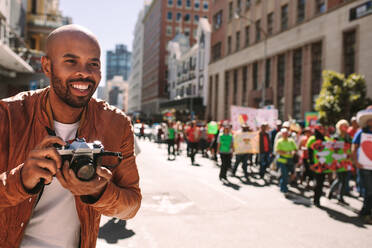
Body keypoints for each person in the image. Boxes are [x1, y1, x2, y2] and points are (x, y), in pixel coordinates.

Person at [0, 25, 141, 247]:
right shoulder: (7, 116)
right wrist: (21, 179)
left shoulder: (116, 123)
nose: (84, 73)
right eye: (71, 61)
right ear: (47, 66)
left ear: (100, 71)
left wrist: (99, 191)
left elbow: (131, 206)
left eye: (92, 64)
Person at [352, 106, 372, 223]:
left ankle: (364, 211)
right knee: (369, 191)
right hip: (364, 166)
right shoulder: (361, 133)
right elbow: (354, 148)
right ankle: (367, 213)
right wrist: (356, 162)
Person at [328, 119, 352, 204]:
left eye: (346, 126)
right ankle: (333, 193)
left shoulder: (348, 137)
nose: (345, 127)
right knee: (340, 179)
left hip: (346, 161)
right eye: (343, 126)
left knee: (344, 180)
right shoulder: (335, 137)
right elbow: (332, 150)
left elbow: (350, 148)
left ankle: (339, 196)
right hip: (338, 161)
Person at [307, 125, 329, 207]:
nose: (322, 130)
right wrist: (311, 163)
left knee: (321, 181)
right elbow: (310, 152)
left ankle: (318, 198)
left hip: (324, 164)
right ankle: (316, 199)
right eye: (320, 129)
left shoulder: (326, 139)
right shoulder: (312, 139)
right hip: (316, 164)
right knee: (317, 182)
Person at [275, 128, 298, 195]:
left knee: (292, 174)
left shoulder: (291, 141)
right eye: (284, 133)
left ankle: (283, 184)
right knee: (284, 175)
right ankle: (284, 189)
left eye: (286, 133)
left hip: (290, 160)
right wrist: (286, 152)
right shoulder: (279, 141)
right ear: (282, 134)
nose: (285, 135)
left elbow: (295, 149)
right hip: (282, 160)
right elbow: (277, 150)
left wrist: (292, 152)